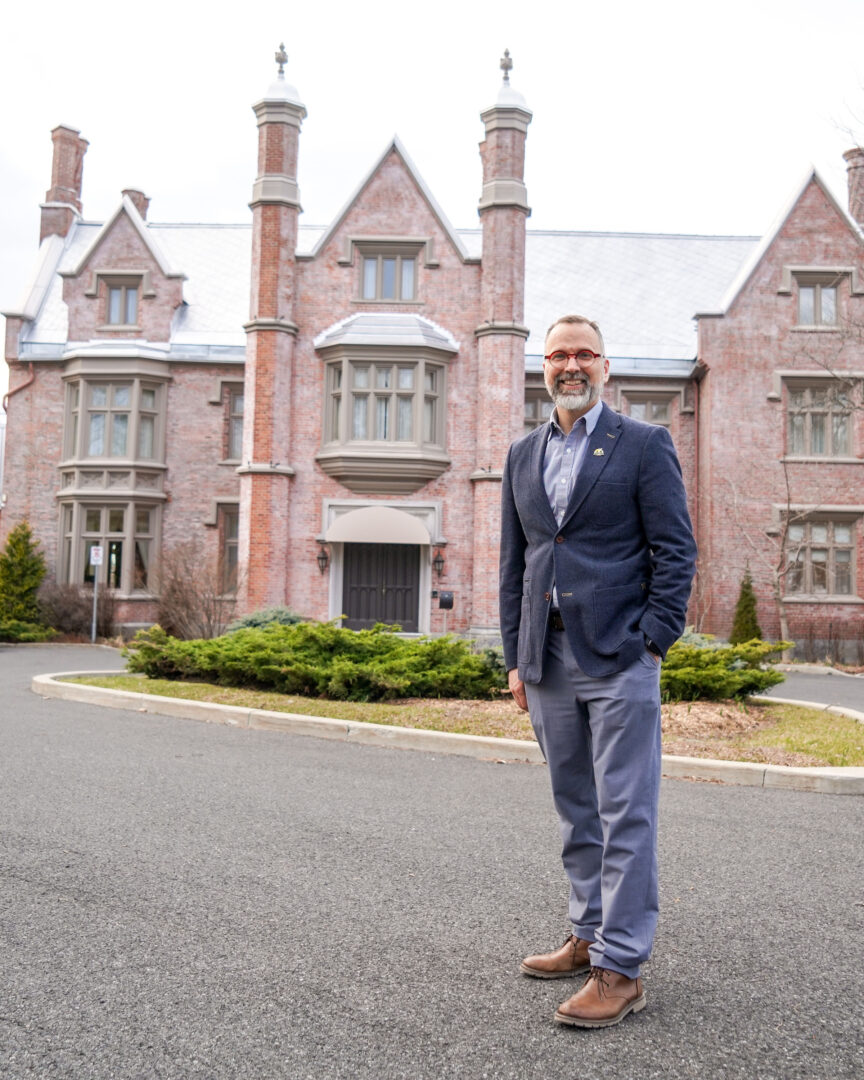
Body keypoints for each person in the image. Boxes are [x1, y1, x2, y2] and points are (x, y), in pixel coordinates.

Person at [499, 314, 697, 1028]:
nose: (571, 364)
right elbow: (516, 565)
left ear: (604, 365)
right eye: (558, 354)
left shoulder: (644, 445)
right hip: (547, 661)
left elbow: (676, 552)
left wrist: (653, 641)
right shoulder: (522, 454)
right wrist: (517, 658)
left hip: (619, 658)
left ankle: (622, 968)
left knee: (626, 814)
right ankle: (586, 934)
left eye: (584, 352)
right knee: (576, 809)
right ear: (542, 367)